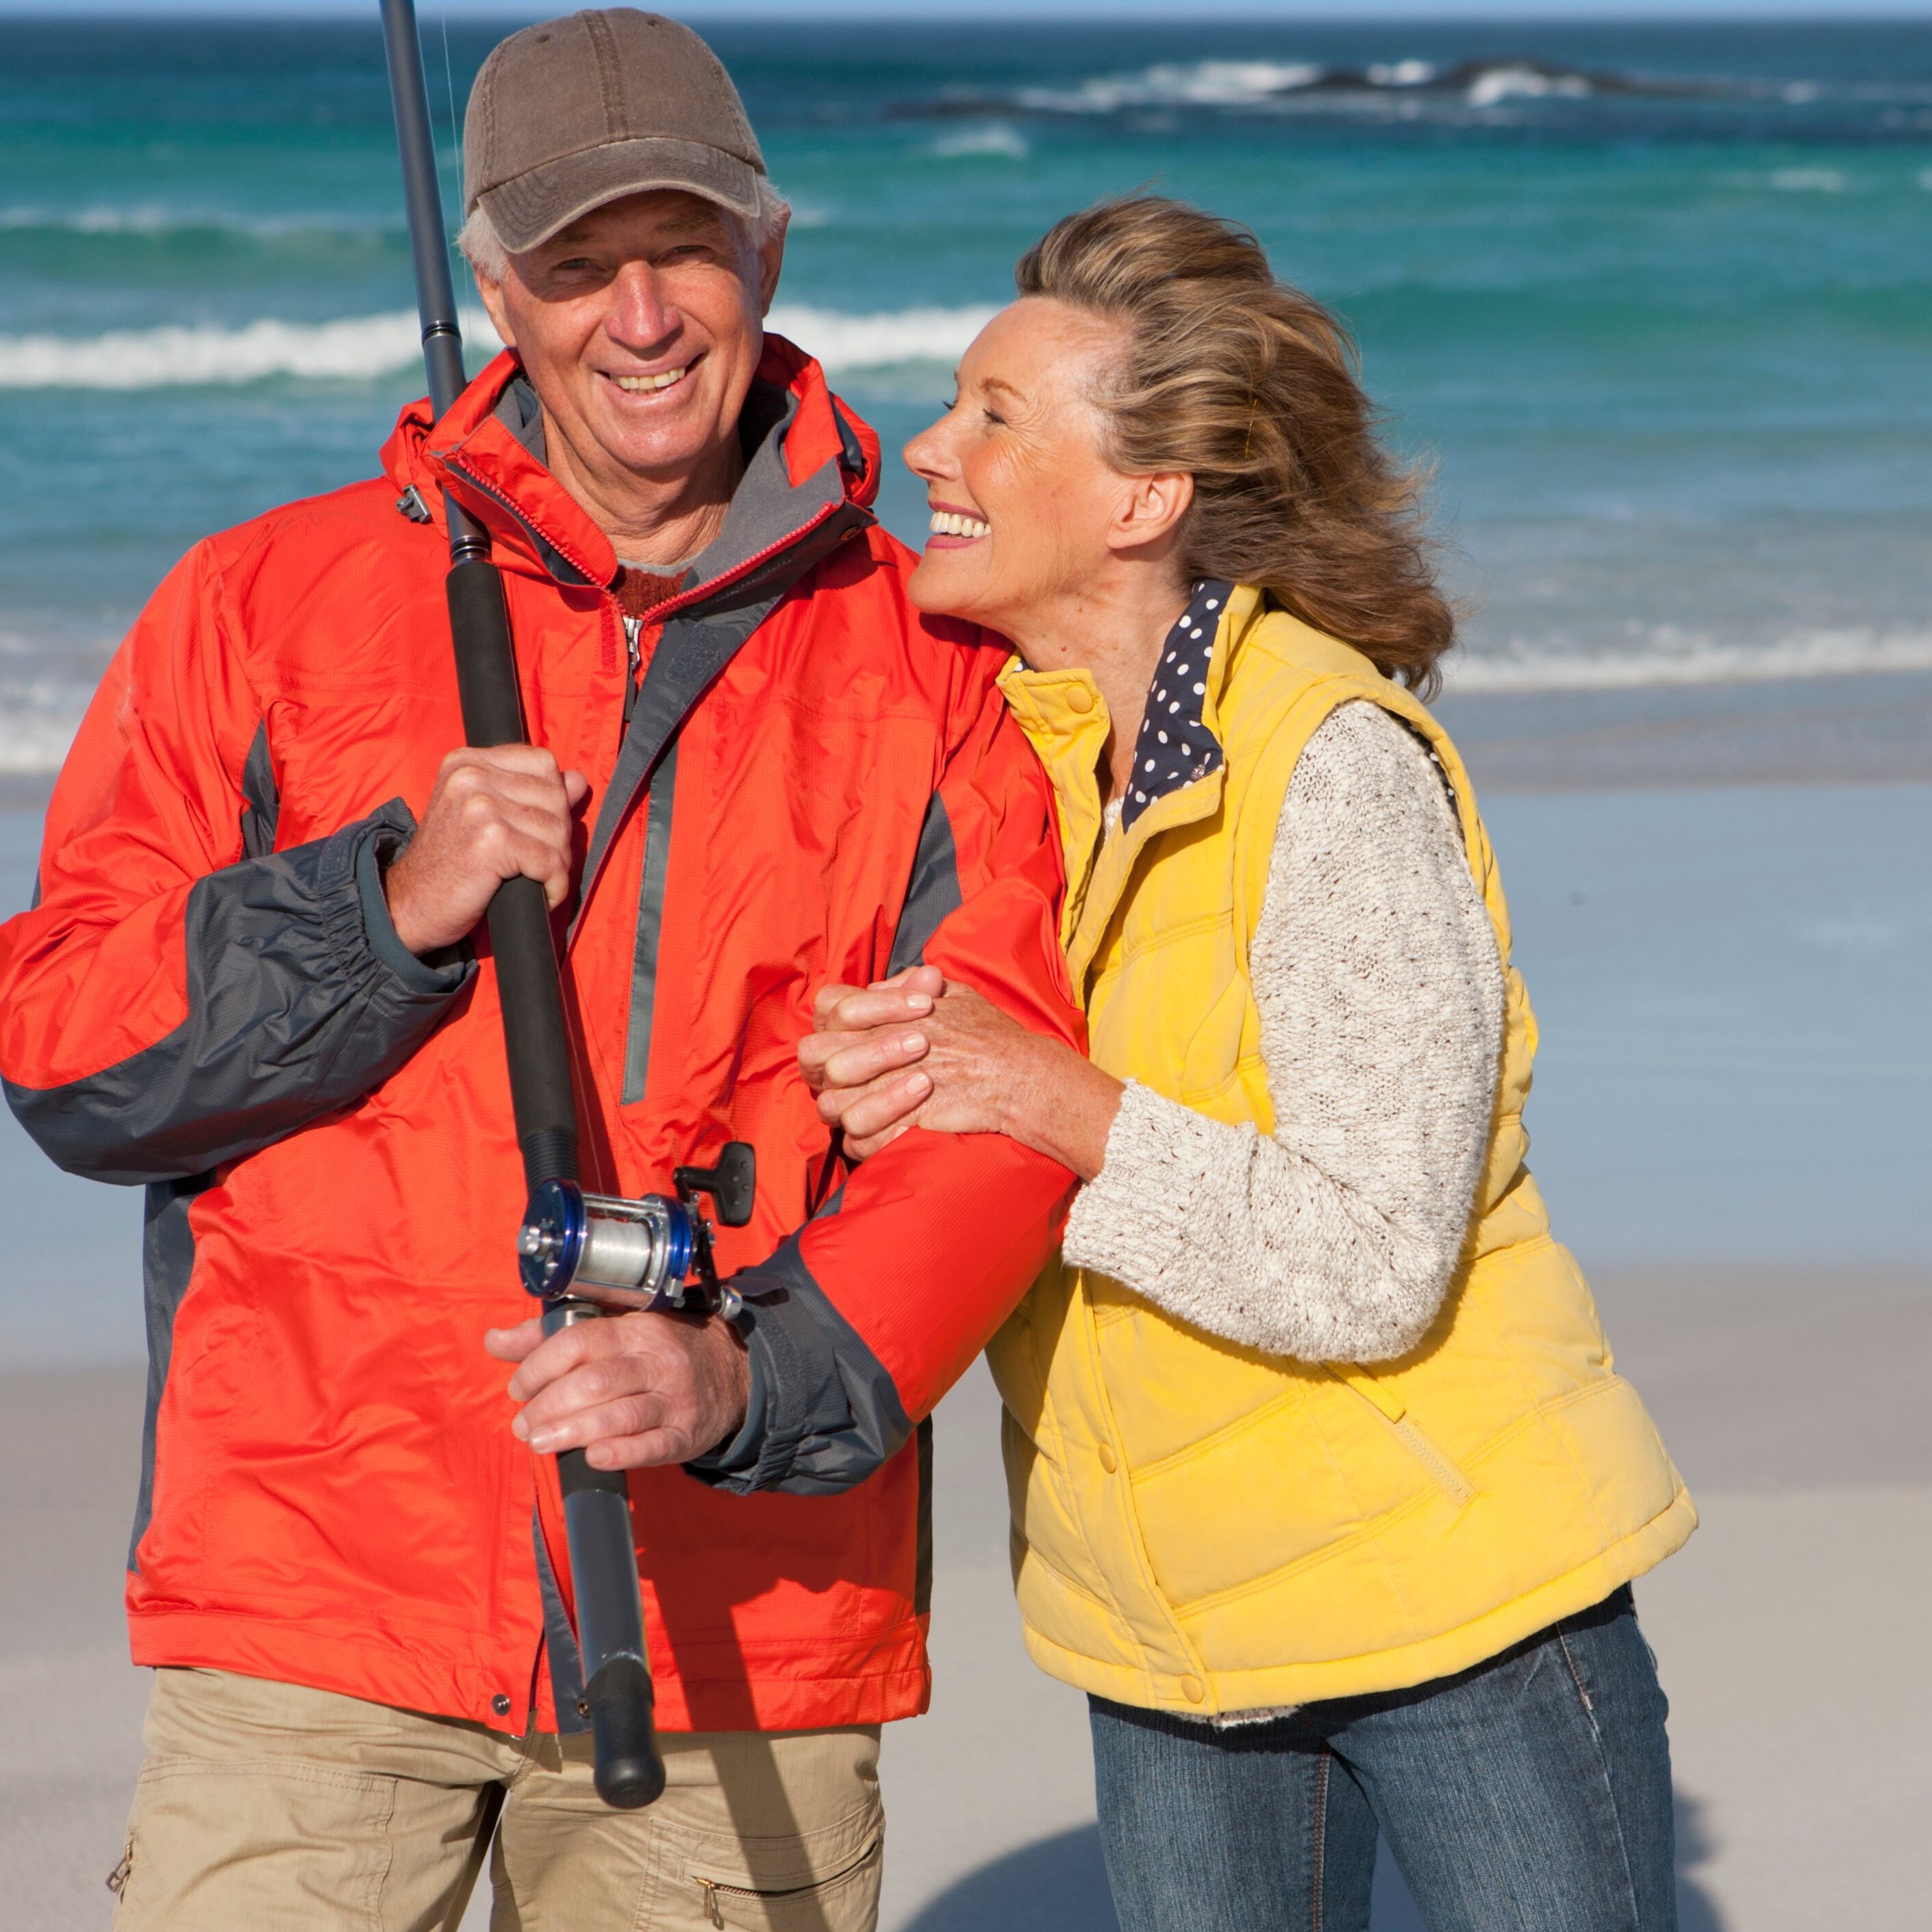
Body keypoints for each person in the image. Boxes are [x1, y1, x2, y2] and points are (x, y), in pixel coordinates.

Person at [0, 13, 1082, 1929]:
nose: (638, 314)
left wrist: (746, 1374)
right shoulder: (260, 604)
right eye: (575, 265)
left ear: (766, 251)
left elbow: (989, 1126)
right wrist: (381, 908)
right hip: (312, 1593)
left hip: (743, 1606)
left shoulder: (930, 662)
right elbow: (75, 1052)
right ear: (495, 287)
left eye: (678, 246)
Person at [803, 197, 1696, 1932]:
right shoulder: (1012, 764)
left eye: (996, 413)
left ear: (1140, 501)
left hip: (1459, 1607)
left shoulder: (1332, 765)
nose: (931, 447)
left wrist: (1040, 1097)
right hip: (1162, 1624)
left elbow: (1368, 1260)